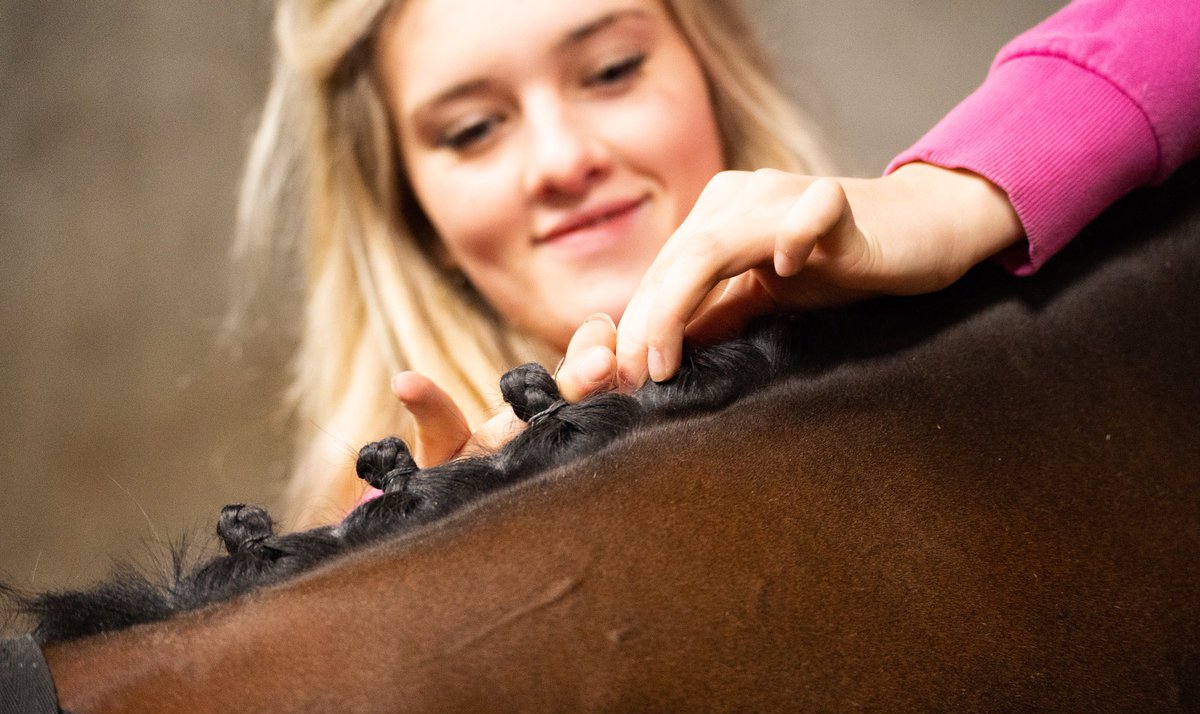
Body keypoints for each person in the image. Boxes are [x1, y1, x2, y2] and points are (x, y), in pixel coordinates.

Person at [236, 0, 1200, 525]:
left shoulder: (956, 346)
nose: (564, 160)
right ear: (410, 210)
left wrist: (954, 196)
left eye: (613, 69)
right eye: (474, 128)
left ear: (709, 70)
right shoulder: (365, 536)